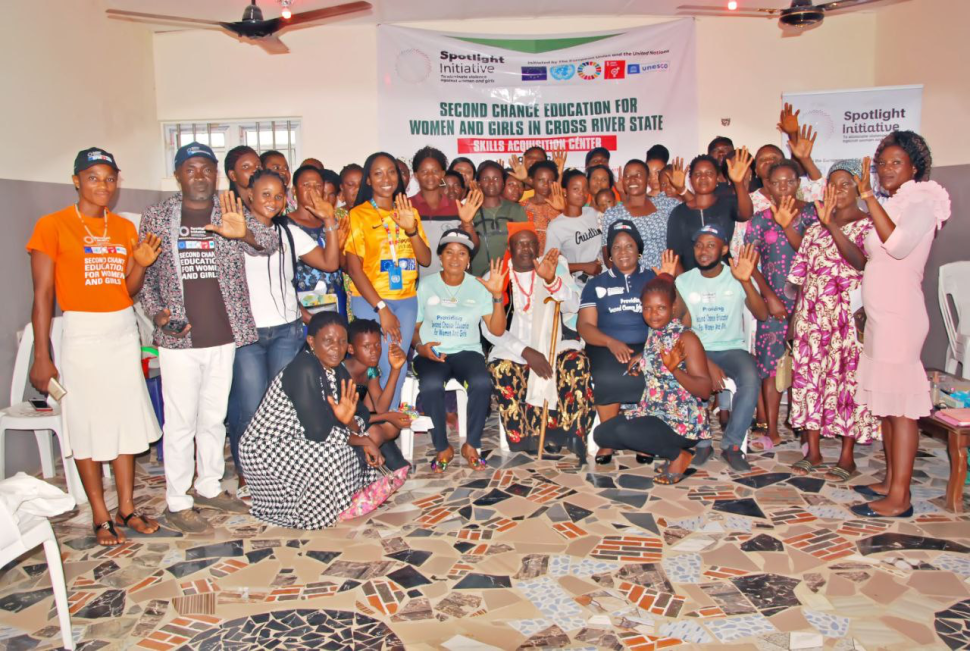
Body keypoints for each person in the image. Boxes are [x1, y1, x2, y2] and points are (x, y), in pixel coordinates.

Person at [138, 142, 279, 534]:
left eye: (206, 169)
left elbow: (269, 243)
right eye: (190, 169)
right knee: (181, 422)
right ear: (178, 174)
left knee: (214, 419)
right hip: (179, 340)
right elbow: (145, 278)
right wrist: (158, 314)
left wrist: (247, 233)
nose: (199, 176)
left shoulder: (231, 209)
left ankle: (209, 486)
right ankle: (177, 500)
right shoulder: (157, 215)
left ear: (216, 174)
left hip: (224, 333)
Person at [27, 148, 163, 546]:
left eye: (109, 178)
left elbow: (128, 291)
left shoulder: (122, 227)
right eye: (93, 177)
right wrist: (42, 355)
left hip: (121, 332)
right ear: (76, 181)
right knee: (86, 425)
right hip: (81, 334)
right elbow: (42, 297)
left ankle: (127, 508)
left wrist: (139, 263)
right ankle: (100, 514)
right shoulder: (51, 226)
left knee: (124, 422)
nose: (102, 185)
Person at [850, 131, 951, 518]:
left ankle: (900, 497)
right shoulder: (895, 204)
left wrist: (869, 197)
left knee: (902, 411)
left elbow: (898, 246)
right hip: (880, 318)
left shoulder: (924, 200)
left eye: (896, 162)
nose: (886, 169)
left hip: (901, 318)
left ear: (914, 167)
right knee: (888, 406)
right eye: (882, 163)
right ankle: (892, 481)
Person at [227, 169, 338, 499]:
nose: (272, 201)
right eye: (265, 194)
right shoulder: (235, 230)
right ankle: (249, 473)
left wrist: (329, 221)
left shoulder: (289, 232)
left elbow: (330, 262)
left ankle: (282, 468)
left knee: (284, 405)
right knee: (250, 406)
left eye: (278, 195)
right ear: (249, 195)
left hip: (288, 330)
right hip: (248, 333)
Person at [238, 312, 404, 530]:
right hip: (267, 448)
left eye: (342, 341)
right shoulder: (304, 368)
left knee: (346, 447)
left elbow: (360, 415)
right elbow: (318, 431)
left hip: (300, 440)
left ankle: (341, 502)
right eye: (328, 341)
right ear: (311, 341)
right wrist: (361, 439)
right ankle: (312, 511)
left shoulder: (337, 370)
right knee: (329, 453)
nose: (336, 347)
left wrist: (350, 424)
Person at [787, 161, 881, 481]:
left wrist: (832, 227)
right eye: (833, 184)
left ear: (858, 189)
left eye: (845, 184)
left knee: (847, 386)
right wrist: (795, 321)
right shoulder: (813, 229)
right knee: (811, 382)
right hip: (812, 319)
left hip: (847, 320)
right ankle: (812, 451)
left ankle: (847, 456)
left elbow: (860, 262)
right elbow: (802, 277)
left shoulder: (868, 225)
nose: (837, 191)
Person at [485, 223, 594, 456]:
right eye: (520, 244)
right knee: (501, 368)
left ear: (539, 246)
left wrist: (552, 279)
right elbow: (489, 330)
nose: (526, 248)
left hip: (556, 342)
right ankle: (524, 436)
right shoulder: (497, 275)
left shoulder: (555, 266)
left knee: (576, 362)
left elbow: (574, 305)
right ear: (510, 248)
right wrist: (526, 352)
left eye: (531, 243)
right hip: (513, 347)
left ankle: (571, 432)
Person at [594, 276, 713, 484]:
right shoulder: (655, 333)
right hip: (654, 412)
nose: (653, 314)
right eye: (647, 308)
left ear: (673, 307)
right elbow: (656, 358)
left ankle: (679, 455)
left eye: (660, 308)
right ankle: (663, 447)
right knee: (602, 434)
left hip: (681, 420)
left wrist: (674, 370)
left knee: (624, 431)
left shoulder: (686, 339)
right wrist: (641, 361)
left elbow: (704, 390)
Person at [413, 230, 508, 471]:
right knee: (431, 386)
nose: (455, 258)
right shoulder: (426, 285)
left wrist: (497, 296)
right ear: (440, 257)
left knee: (481, 382)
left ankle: (472, 445)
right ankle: (442, 446)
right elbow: (414, 327)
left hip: (467, 351)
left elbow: (496, 330)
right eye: (449, 252)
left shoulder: (478, 287)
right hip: (432, 352)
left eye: (462, 253)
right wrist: (420, 348)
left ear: (469, 260)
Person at [675, 226, 768, 471]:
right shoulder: (683, 281)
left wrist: (746, 280)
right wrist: (706, 363)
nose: (703, 251)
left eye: (710, 245)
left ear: (724, 248)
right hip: (697, 350)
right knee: (683, 373)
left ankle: (732, 445)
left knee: (750, 377)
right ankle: (702, 442)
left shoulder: (737, 276)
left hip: (732, 349)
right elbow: (679, 327)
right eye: (698, 245)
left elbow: (762, 313)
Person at [577, 221, 669, 465]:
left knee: (651, 374)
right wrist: (610, 342)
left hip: (648, 342)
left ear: (638, 249)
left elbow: (674, 317)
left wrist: (649, 349)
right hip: (605, 344)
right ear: (609, 253)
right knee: (607, 375)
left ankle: (645, 439)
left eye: (629, 245)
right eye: (616, 247)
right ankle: (608, 439)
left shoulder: (653, 278)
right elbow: (585, 327)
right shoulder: (596, 283)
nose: (623, 251)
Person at [344, 151, 431, 409]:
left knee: (397, 360)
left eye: (391, 171)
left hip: (405, 300)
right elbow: (354, 269)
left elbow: (425, 259)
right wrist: (381, 309)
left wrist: (411, 229)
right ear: (368, 180)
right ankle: (381, 421)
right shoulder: (358, 215)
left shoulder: (408, 211)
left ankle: (387, 420)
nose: (386, 178)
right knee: (376, 362)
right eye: (378, 173)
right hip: (370, 300)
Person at [744, 160, 818, 448]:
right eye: (776, 182)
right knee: (771, 366)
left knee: (807, 367)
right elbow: (749, 262)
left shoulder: (813, 214)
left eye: (789, 181)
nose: (783, 188)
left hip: (811, 301)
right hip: (773, 302)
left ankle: (807, 432)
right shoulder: (760, 220)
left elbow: (815, 255)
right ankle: (772, 430)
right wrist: (769, 296)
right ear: (768, 187)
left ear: (798, 183)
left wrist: (788, 227)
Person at [667, 151, 754, 272]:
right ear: (690, 179)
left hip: (725, 278)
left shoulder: (727, 203)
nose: (703, 177)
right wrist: (683, 284)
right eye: (697, 174)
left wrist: (738, 182)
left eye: (709, 173)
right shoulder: (679, 213)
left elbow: (746, 214)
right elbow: (674, 256)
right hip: (690, 280)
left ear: (717, 178)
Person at [409, 146, 481, 277]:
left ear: (442, 174)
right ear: (415, 175)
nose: (430, 176)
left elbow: (473, 248)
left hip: (452, 285)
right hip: (415, 287)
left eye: (435, 171)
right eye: (424, 171)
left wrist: (467, 223)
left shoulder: (457, 207)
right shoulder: (406, 207)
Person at [602, 159, 684, 271]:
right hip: (633, 281)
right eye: (627, 176)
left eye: (638, 175)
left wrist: (683, 190)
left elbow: (695, 208)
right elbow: (608, 259)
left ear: (648, 179)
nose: (632, 179)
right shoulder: (613, 214)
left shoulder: (664, 203)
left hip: (666, 277)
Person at [287, 166, 347, 318]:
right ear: (294, 190)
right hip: (301, 304)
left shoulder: (332, 222)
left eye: (318, 186)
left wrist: (338, 249)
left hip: (334, 298)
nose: (312, 190)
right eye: (306, 185)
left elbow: (344, 267)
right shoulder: (285, 225)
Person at [544, 169, 603, 293]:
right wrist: (583, 266)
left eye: (585, 189)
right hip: (580, 288)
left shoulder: (593, 213)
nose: (582, 193)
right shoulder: (556, 227)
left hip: (604, 281)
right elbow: (548, 266)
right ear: (565, 192)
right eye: (576, 189)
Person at [470, 160, 529, 277]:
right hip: (477, 277)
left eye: (496, 178)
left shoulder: (516, 209)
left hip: (510, 276)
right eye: (486, 178)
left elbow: (526, 244)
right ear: (479, 183)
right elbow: (467, 248)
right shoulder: (470, 209)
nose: (491, 182)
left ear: (503, 183)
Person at [520, 160, 563, 252]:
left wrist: (563, 210)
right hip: (529, 258)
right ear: (531, 180)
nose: (546, 184)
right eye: (541, 180)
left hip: (557, 258)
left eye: (550, 181)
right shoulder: (522, 206)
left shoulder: (561, 204)